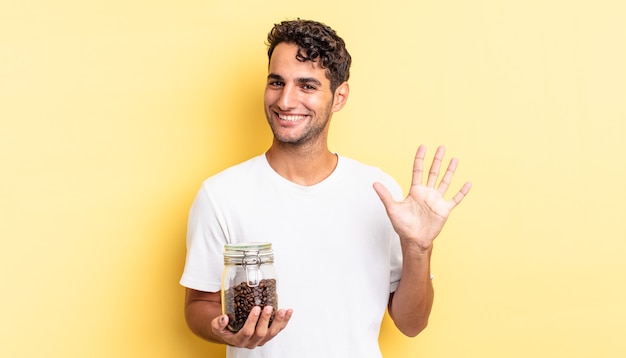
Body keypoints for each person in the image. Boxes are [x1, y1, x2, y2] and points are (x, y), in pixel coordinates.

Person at [180, 19, 472, 357]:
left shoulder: (378, 192)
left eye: (306, 86)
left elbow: (411, 323)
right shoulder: (221, 194)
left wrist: (419, 248)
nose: (285, 101)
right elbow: (198, 304)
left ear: (339, 96)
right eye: (277, 82)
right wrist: (226, 330)